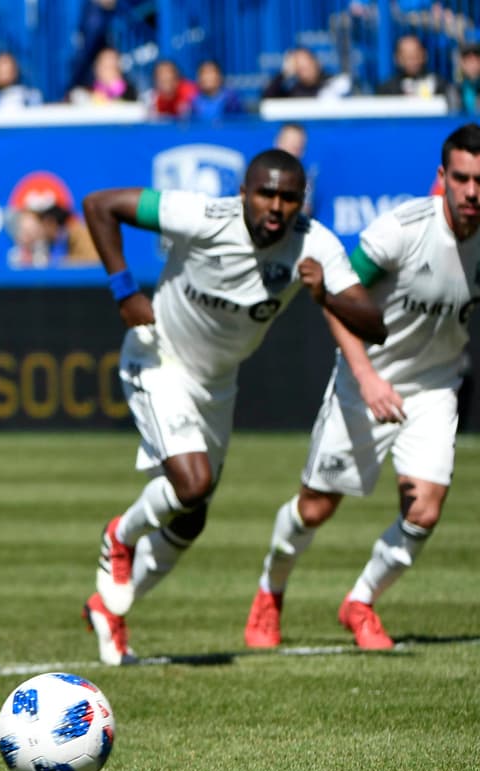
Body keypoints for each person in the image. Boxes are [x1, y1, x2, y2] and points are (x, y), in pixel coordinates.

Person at [77, 148, 386, 665]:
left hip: (218, 385)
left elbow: (373, 323)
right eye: (266, 193)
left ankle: (107, 612)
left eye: (289, 197)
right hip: (159, 359)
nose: (276, 206)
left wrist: (325, 296)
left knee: (191, 518)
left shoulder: (315, 245)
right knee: (191, 483)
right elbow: (99, 204)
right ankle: (120, 536)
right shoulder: (202, 215)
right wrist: (124, 291)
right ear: (244, 193)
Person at [244, 124, 480, 651]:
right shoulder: (401, 229)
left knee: (425, 510)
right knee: (315, 509)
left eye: (479, 181)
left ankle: (361, 602)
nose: (472, 192)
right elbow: (338, 298)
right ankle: (269, 589)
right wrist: (368, 377)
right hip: (365, 381)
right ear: (443, 178)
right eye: (462, 178)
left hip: (435, 386)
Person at [262, 47, 351, 100]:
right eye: (300, 68)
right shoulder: (293, 91)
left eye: (307, 65)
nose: (305, 71)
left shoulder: (334, 83)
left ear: (316, 63)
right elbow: (267, 98)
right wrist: (284, 73)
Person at [376, 33, 447, 98]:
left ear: (424, 55)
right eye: (407, 57)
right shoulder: (387, 89)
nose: (412, 61)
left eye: (416, 55)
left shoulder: (440, 85)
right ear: (397, 58)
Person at [69, 47, 138, 104]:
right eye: (104, 66)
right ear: (96, 68)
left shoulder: (131, 94)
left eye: (112, 66)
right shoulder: (85, 93)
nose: (108, 71)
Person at [451, 43, 480, 113]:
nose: (473, 64)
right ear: (462, 63)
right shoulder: (455, 89)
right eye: (468, 60)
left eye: (476, 60)